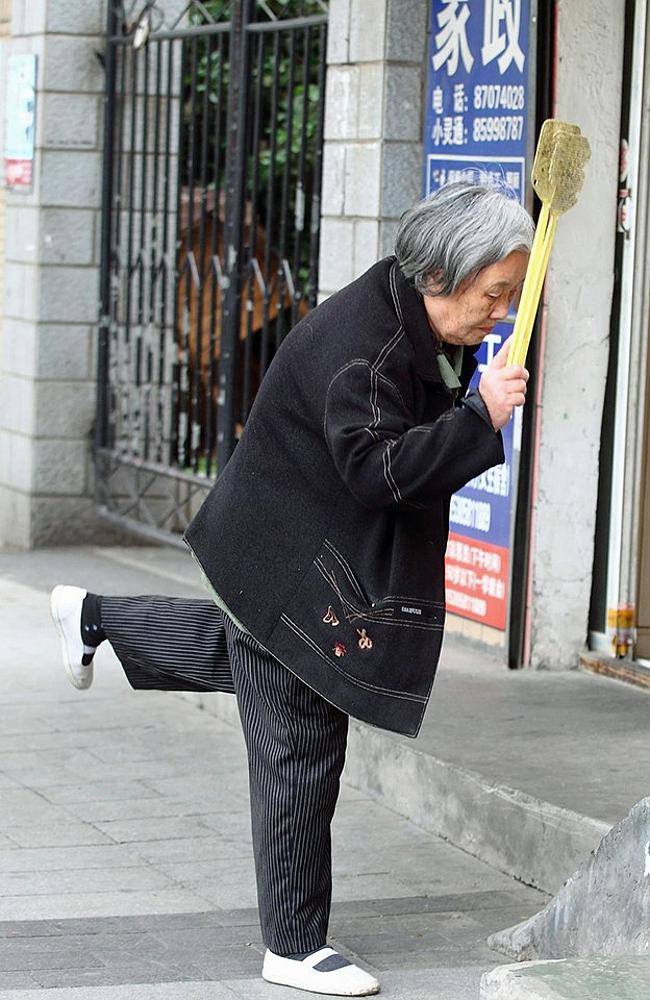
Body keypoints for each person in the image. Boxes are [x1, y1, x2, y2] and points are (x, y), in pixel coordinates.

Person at [50, 182, 532, 998]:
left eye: (510, 297)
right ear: (443, 273)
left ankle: (92, 618)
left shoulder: (404, 303)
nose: (502, 313)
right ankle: (294, 944)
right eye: (495, 294)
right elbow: (378, 471)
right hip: (291, 558)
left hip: (273, 538)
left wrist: (467, 402)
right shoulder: (367, 350)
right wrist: (477, 417)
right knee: (300, 740)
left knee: (245, 652)